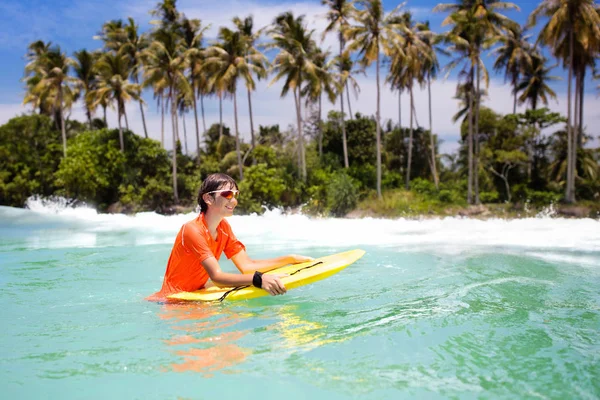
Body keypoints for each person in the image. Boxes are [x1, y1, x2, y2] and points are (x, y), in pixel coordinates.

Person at [148, 173, 313, 301]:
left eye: (235, 194)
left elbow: (247, 266)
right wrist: (259, 279)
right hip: (172, 301)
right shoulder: (191, 230)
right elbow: (217, 277)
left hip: (197, 295)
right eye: (227, 194)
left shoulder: (224, 228)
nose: (234, 201)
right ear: (208, 198)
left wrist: (290, 259)